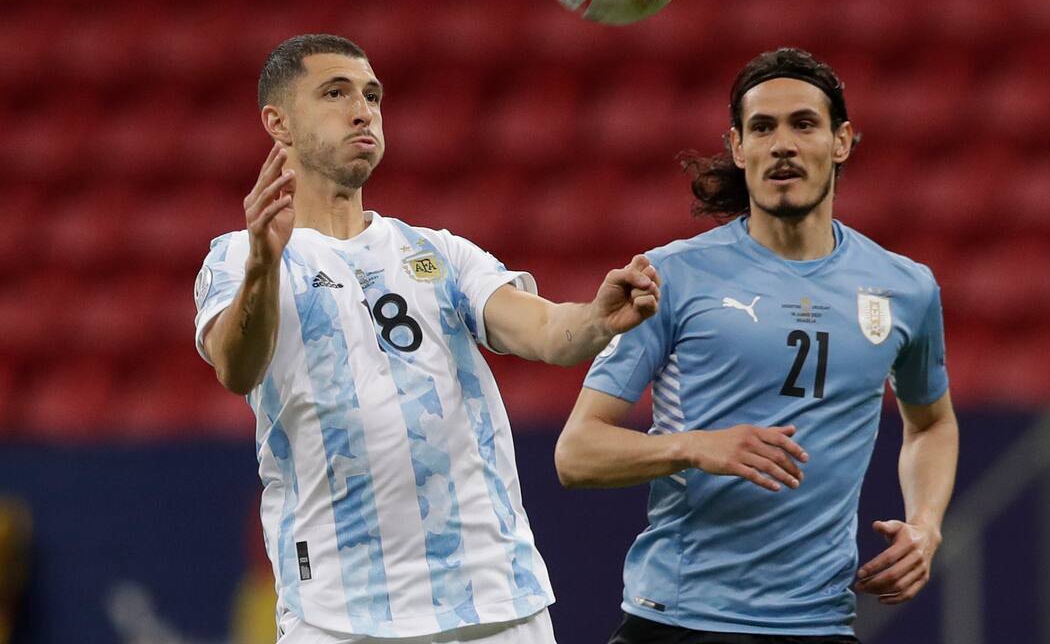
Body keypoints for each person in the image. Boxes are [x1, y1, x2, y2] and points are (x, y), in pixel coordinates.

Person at [193, 34, 661, 644]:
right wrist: (263, 262)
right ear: (276, 122)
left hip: (494, 602)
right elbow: (236, 367)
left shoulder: (437, 252)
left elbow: (546, 331)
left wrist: (597, 320)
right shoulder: (238, 257)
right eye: (335, 93)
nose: (362, 110)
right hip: (337, 614)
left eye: (372, 95)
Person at [554, 48, 959, 643]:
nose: (783, 144)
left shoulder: (905, 287)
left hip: (820, 623)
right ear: (739, 149)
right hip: (680, 619)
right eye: (763, 128)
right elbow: (576, 454)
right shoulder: (670, 277)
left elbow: (931, 424)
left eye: (804, 124)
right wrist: (694, 448)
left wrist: (925, 524)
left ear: (841, 141)